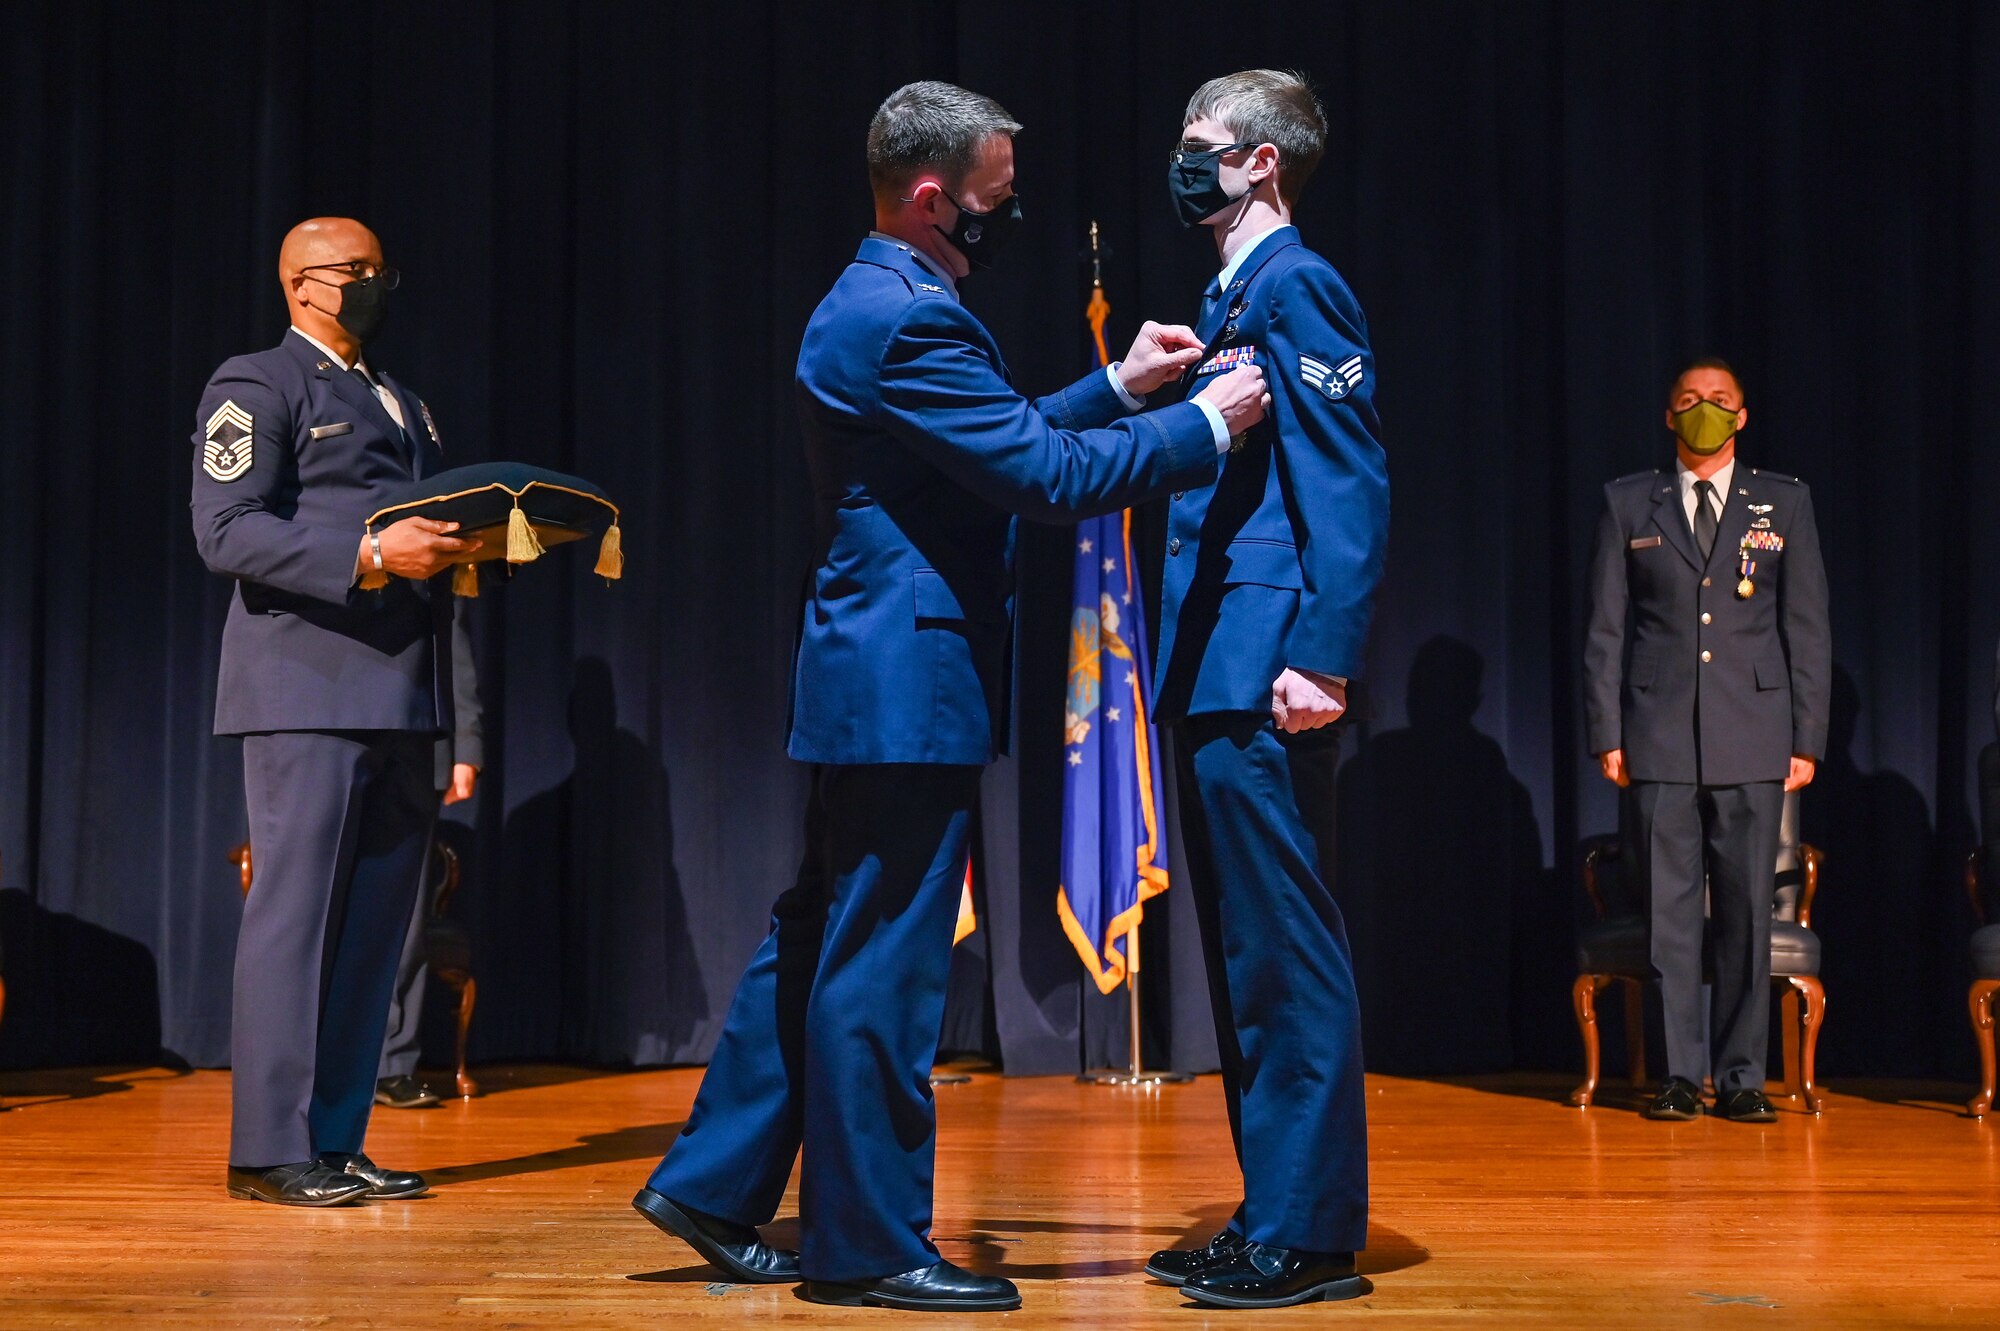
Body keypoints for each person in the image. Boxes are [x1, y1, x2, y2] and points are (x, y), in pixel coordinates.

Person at [630, 80, 1268, 1313]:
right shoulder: (906, 319)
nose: (1009, 210)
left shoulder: (885, 299)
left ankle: (710, 1184)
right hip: (903, 681)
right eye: (994, 195)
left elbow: (1000, 434)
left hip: (873, 671)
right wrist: (1198, 426)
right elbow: (1039, 475)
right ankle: (866, 1246)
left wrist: (1119, 383)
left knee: (822, 930)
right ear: (932, 200)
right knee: (886, 959)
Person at [1144, 70, 1389, 1309]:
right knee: (1244, 956)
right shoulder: (1229, 290)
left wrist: (1324, 650)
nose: (1183, 164)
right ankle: (1267, 1207)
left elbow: (1345, 479)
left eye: (1203, 148)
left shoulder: (1298, 285)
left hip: (1267, 665)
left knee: (1286, 953)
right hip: (1212, 663)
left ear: (1261, 164)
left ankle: (1310, 1231)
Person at [191, 217, 476, 1205]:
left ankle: (337, 1137)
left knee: (369, 935)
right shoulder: (256, 383)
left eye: (379, 269)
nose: (375, 283)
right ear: (303, 284)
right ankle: (270, 1147)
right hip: (304, 691)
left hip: (401, 697)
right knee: (295, 921)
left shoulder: (402, 398)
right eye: (356, 271)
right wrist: (364, 558)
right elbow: (225, 530)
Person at [1584, 357, 1831, 1123]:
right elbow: (1605, 631)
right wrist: (1608, 732)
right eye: (1689, 401)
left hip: (1756, 739)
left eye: (1718, 401)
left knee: (1748, 915)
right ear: (1668, 417)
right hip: (1656, 738)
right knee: (1670, 916)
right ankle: (1680, 1074)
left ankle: (1743, 1073)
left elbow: (1807, 631)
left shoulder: (1782, 503)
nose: (1704, 412)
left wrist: (1805, 737)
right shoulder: (1630, 502)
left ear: (1742, 415)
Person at [375, 605, 482, 1110]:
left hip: (417, 745)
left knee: (407, 921)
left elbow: (452, 643)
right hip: (331, 734)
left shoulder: (429, 541)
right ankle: (310, 1060)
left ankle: (394, 1064)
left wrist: (467, 748)